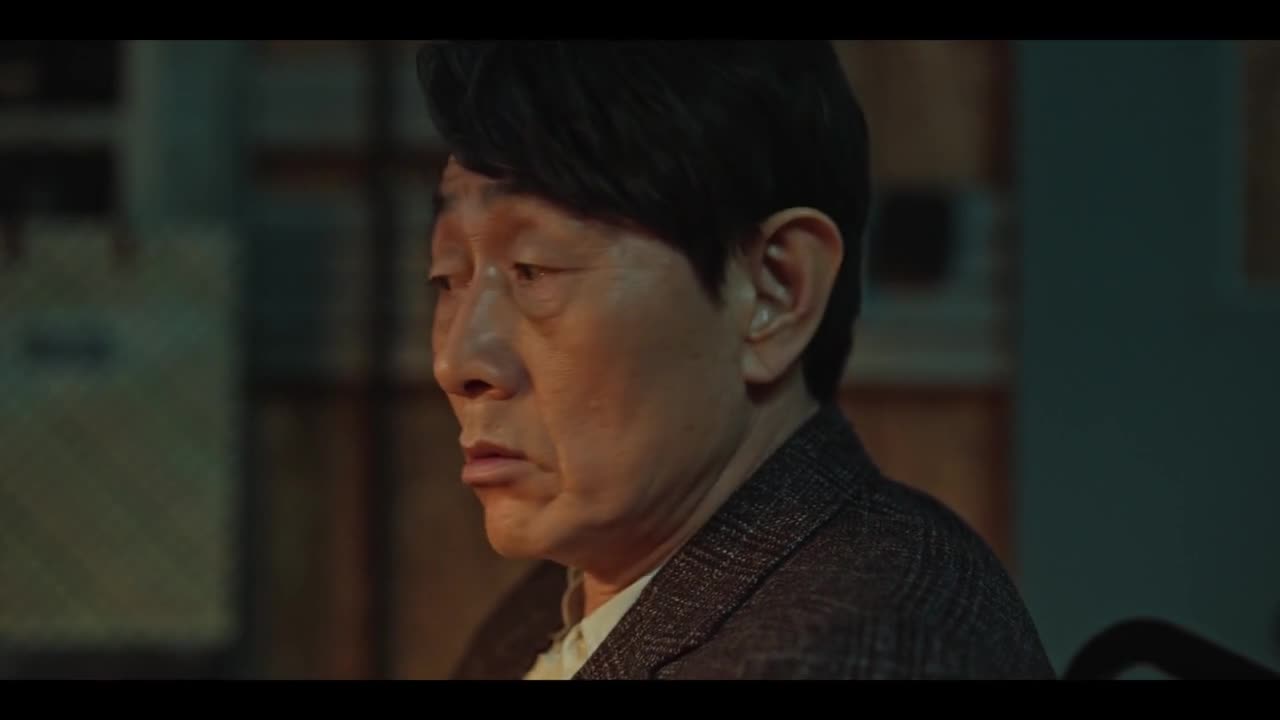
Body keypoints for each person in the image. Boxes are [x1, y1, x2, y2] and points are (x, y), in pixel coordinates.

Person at [417, 40, 1055, 680]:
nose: (456, 361)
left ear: (775, 291)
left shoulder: (851, 650)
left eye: (533, 270)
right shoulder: (564, 595)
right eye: (447, 277)